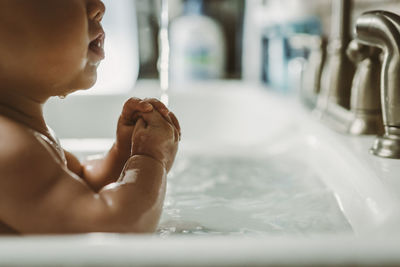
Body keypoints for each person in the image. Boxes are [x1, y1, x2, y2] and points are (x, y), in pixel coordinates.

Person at [0, 0, 180, 234]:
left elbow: (82, 184)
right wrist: (151, 156)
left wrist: (123, 156)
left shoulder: (19, 135)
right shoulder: (7, 148)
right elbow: (112, 225)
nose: (99, 6)